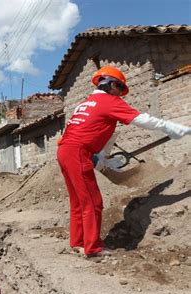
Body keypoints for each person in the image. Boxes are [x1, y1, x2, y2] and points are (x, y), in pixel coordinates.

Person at [57, 66, 191, 257]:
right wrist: (170, 127)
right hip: (78, 152)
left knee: (78, 201)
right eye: (120, 88)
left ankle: (78, 242)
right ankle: (92, 248)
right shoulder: (108, 101)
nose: (121, 94)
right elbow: (141, 119)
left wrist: (101, 158)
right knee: (93, 202)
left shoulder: (86, 103)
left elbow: (88, 131)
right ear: (111, 84)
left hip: (66, 151)